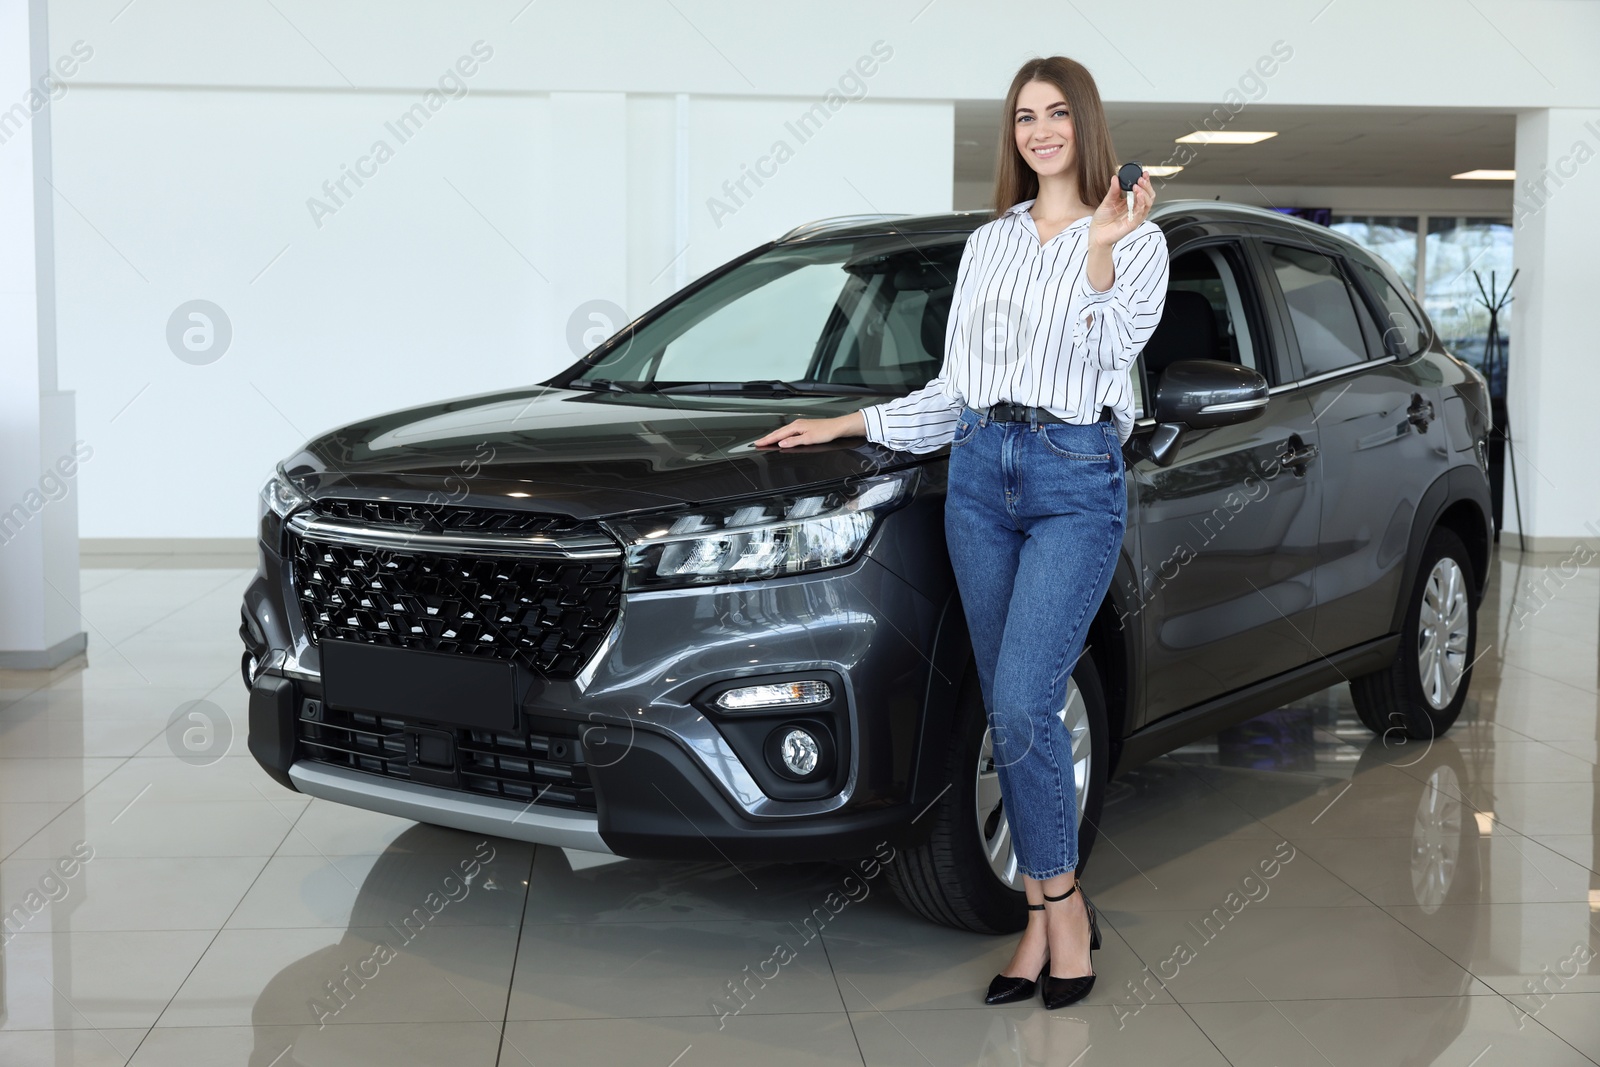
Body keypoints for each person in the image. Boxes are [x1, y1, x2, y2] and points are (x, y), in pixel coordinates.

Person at [754, 56, 1168, 1009]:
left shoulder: (1140, 242)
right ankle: (1038, 922)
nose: (1041, 130)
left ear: (1086, 123)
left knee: (1027, 702)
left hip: (1073, 478)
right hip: (980, 475)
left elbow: (1109, 357)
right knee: (1002, 709)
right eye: (1025, 116)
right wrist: (847, 423)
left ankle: (1064, 908)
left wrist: (1102, 244)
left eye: (1059, 112)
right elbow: (955, 390)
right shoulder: (989, 244)